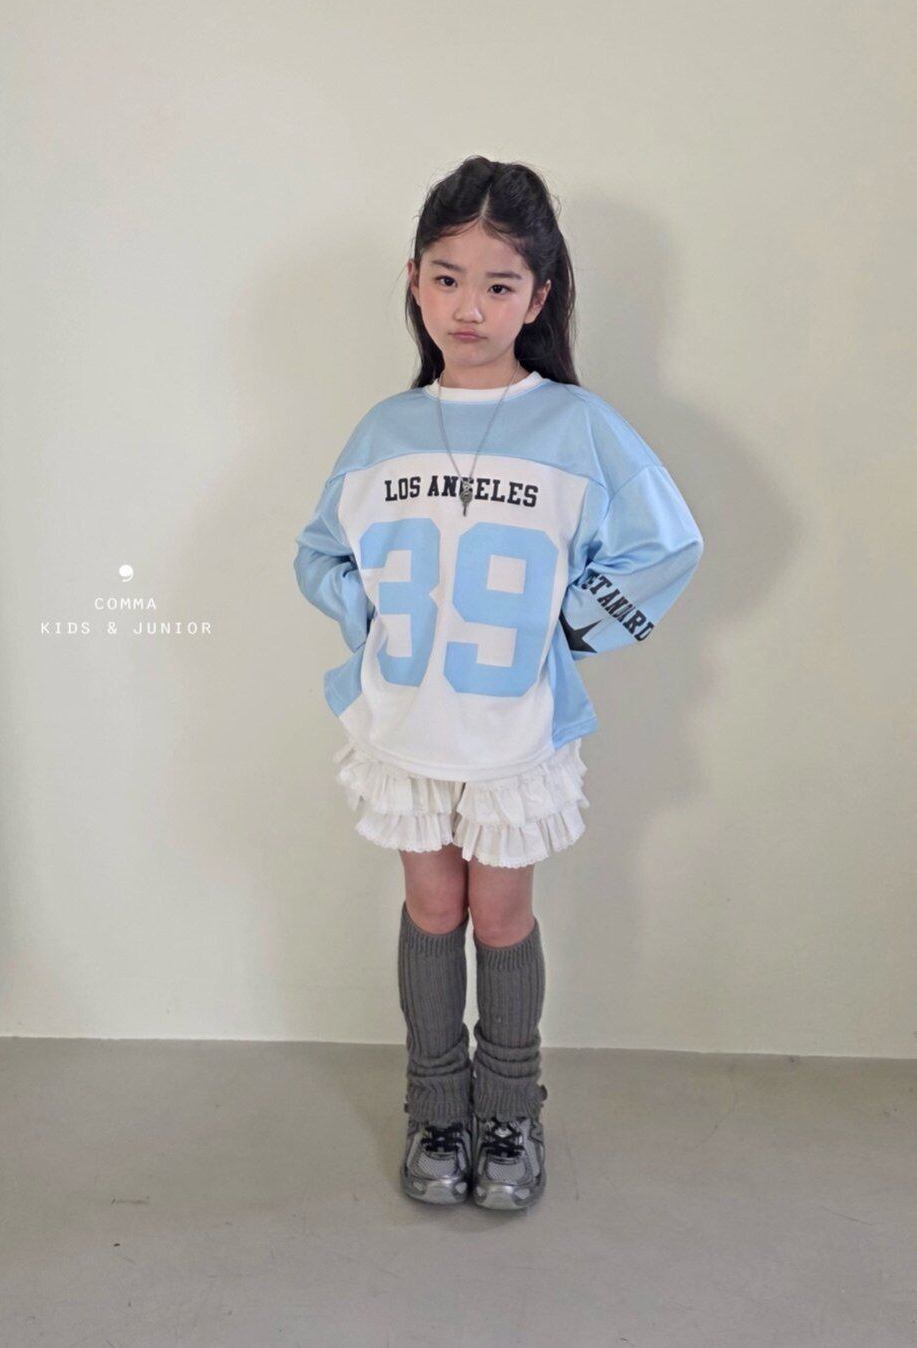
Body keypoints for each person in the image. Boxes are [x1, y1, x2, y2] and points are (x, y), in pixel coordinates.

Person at [294, 155, 704, 1211]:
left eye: (497, 284)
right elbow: (319, 552)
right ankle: (435, 1107)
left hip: (513, 726)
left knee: (500, 912)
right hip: (405, 719)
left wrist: (566, 631)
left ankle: (510, 1112)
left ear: (539, 294)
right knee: (430, 906)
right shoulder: (384, 430)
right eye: (445, 278)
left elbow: (665, 544)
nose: (466, 307)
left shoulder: (575, 425)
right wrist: (374, 619)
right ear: (413, 279)